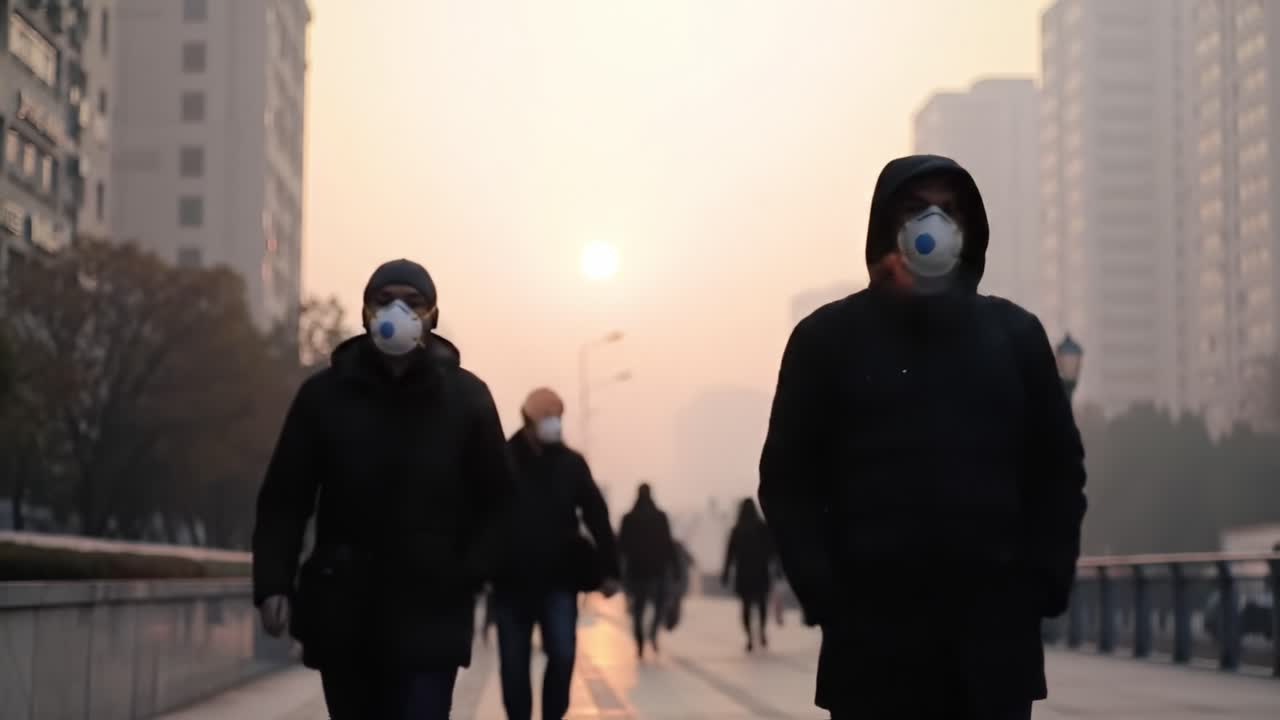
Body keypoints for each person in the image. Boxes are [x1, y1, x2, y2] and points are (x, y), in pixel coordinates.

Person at [759, 155, 1087, 720]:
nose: (932, 223)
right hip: (872, 654)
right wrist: (826, 595)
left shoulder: (1014, 337)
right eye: (915, 210)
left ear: (969, 227)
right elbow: (788, 480)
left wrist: (1043, 581)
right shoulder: (826, 341)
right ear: (885, 226)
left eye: (948, 210)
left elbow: (1057, 470)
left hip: (993, 648)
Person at [252, 259, 513, 720]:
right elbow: (285, 498)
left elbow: (500, 502)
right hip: (345, 610)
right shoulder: (324, 396)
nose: (398, 311)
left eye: (413, 303)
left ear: (432, 316)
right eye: (384, 300)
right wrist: (273, 582)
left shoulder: (467, 399)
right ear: (365, 313)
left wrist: (468, 572)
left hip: (432, 611)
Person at [492, 387, 620, 720]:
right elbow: (482, 515)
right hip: (511, 581)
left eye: (557, 418)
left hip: (560, 580)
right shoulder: (502, 461)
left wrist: (611, 570)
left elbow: (597, 515)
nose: (554, 424)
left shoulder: (571, 464)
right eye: (547, 418)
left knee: (563, 655)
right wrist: (478, 567)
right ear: (528, 420)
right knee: (513, 665)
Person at [617, 483, 677, 658]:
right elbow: (668, 544)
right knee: (659, 605)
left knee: (638, 609)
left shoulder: (628, 519)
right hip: (657, 570)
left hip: (636, 571)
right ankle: (652, 632)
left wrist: (616, 571)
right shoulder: (660, 517)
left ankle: (640, 641)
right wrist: (674, 568)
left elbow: (621, 547)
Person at [721, 498, 776, 652]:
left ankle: (750, 637)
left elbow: (730, 554)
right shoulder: (762, 528)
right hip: (761, 572)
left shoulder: (737, 530)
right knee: (761, 605)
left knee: (746, 607)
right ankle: (762, 631)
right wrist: (776, 568)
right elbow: (772, 550)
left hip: (744, 574)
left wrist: (726, 573)